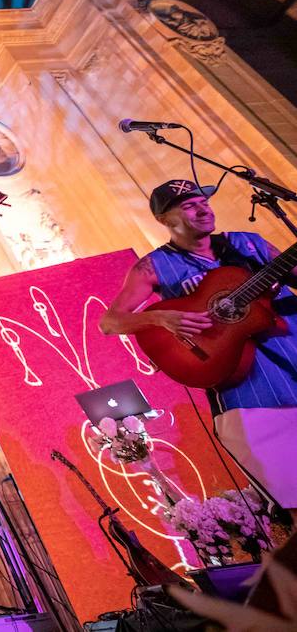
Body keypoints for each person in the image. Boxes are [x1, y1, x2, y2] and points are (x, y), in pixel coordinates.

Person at [101, 179, 297, 507]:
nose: (203, 208)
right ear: (166, 220)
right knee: (290, 490)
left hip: (290, 351)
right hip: (246, 388)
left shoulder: (247, 245)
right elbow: (110, 322)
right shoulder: (153, 266)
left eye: (204, 202)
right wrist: (158, 318)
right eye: (190, 205)